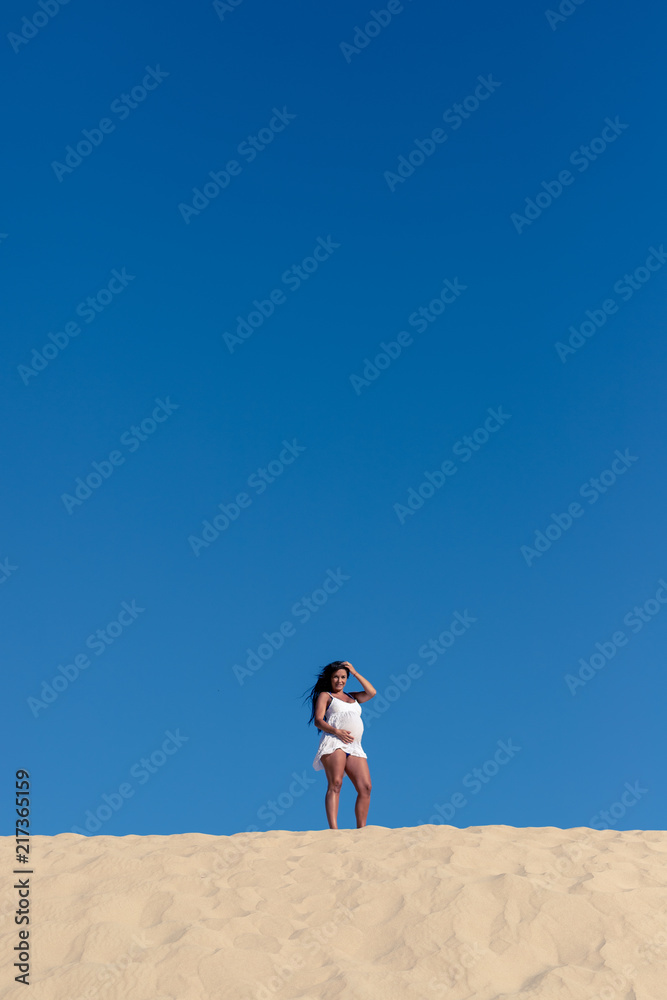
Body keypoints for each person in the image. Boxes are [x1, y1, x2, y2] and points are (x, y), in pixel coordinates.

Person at [303, 660, 376, 829]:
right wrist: (337, 732)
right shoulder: (326, 696)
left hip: (355, 746)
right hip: (335, 742)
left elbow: (371, 692)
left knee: (366, 787)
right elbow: (318, 721)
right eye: (336, 677)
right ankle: (334, 830)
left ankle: (362, 830)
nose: (339, 680)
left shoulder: (353, 697)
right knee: (336, 783)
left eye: (343, 677)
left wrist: (355, 672)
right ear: (330, 678)